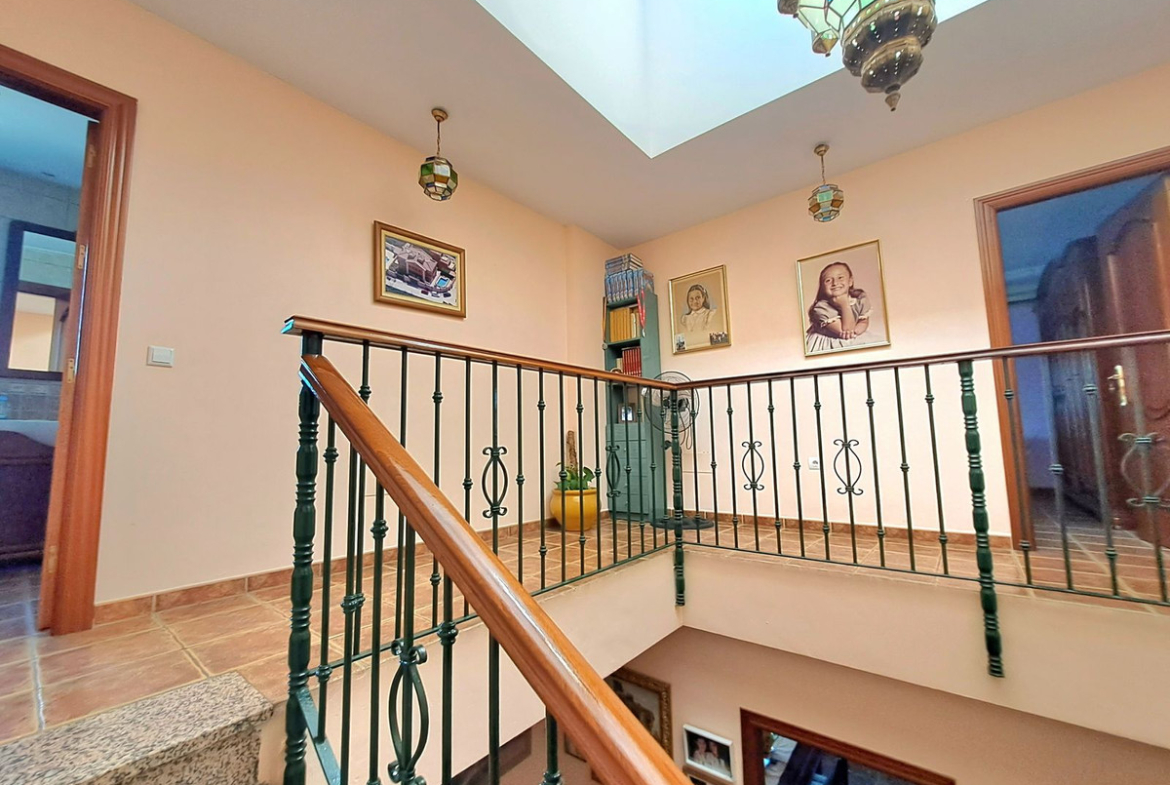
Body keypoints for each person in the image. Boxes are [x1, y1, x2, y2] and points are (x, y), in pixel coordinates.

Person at [805, 262, 873, 354]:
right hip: (827, 342)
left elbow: (863, 322)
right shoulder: (821, 308)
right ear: (822, 287)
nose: (835, 283)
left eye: (840, 278)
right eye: (828, 280)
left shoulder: (860, 298)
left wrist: (856, 332)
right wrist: (844, 304)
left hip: (852, 336)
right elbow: (845, 331)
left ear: (850, 281)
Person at [678, 283, 721, 350]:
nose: (695, 301)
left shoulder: (710, 314)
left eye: (698, 298)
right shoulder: (684, 319)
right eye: (691, 299)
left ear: (703, 298)